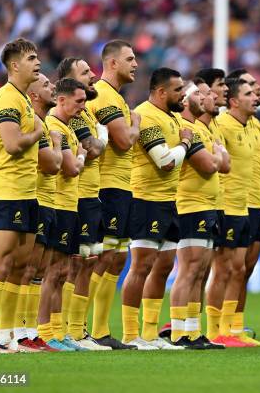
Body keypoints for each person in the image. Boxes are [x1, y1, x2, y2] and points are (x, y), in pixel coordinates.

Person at [0, 38, 44, 353]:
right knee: (1, 263)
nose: (38, 62)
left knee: (20, 266)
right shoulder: (6, 98)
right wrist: (39, 133)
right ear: (14, 65)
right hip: (6, 192)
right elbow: (14, 144)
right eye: (31, 58)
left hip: (27, 193)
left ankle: (7, 335)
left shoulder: (23, 99)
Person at [123, 67, 192, 350]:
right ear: (161, 92)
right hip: (146, 199)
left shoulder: (172, 117)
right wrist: (186, 142)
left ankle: (150, 334)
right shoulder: (147, 115)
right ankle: (130, 334)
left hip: (169, 200)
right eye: (178, 90)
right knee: (142, 266)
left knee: (163, 266)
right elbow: (164, 160)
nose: (183, 95)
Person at [86, 40, 140, 349]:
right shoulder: (105, 95)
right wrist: (134, 123)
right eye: (129, 59)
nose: (135, 64)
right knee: (103, 258)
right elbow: (123, 141)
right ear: (112, 63)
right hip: (108, 187)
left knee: (117, 258)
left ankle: (101, 330)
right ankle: (82, 329)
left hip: (123, 186)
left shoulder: (115, 97)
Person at [55, 57, 109, 350]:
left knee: (88, 262)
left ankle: (78, 331)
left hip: (91, 194)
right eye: (85, 71)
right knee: (72, 266)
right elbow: (95, 149)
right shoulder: (73, 116)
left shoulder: (85, 112)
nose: (92, 75)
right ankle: (64, 330)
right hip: (75, 196)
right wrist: (101, 134)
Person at [171, 79, 228, 349]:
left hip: (208, 205)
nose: (210, 97)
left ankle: (193, 331)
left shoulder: (202, 128)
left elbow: (223, 164)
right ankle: (178, 332)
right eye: (203, 94)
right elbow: (209, 165)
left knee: (201, 270)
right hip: (190, 205)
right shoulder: (187, 129)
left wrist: (217, 157)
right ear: (187, 100)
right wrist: (216, 156)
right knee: (189, 269)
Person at [43, 78, 89, 351]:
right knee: (52, 271)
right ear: (61, 100)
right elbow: (71, 169)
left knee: (62, 271)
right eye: (79, 101)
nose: (83, 107)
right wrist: (82, 155)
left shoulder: (67, 128)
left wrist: (79, 156)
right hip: (57, 203)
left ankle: (58, 332)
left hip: (69, 205)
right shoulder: (54, 126)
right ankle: (45, 331)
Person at [21, 74, 62, 352]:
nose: (52, 88)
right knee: (28, 270)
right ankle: (19, 333)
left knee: (39, 272)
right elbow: (52, 164)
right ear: (34, 95)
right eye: (47, 85)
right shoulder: (35, 123)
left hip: (50, 201)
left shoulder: (45, 123)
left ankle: (31, 332)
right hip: (34, 198)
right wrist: (58, 145)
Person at [225, 68, 260, 344]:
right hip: (230, 203)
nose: (256, 91)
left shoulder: (256, 125)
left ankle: (235, 326)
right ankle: (219, 326)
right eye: (249, 88)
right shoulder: (223, 123)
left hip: (254, 203)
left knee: (245, 269)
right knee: (227, 268)